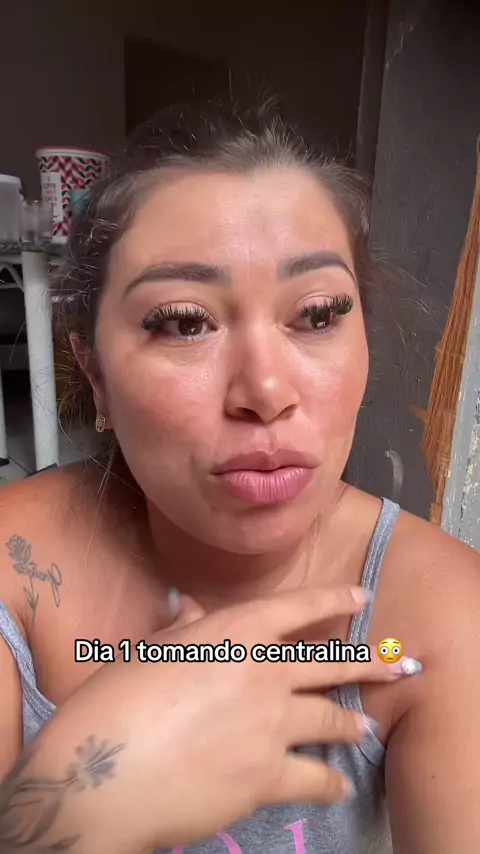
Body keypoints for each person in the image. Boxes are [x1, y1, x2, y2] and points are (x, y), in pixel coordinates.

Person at [1, 99, 480, 854]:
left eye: (317, 313)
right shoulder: (15, 572)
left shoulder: (445, 614)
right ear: (94, 373)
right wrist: (64, 812)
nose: (266, 390)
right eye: (185, 321)